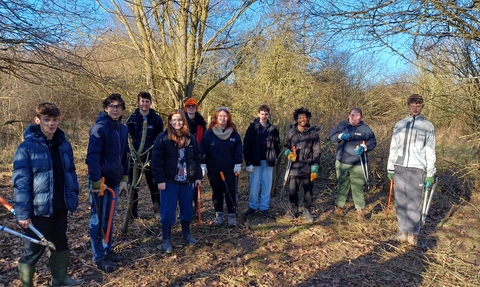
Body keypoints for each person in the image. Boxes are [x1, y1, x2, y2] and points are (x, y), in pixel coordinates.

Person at [13, 102, 82, 287]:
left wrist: (73, 194)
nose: (51, 124)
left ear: (59, 120)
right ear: (37, 120)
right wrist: (23, 213)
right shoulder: (26, 148)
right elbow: (21, 183)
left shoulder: (64, 145)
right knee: (33, 248)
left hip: (61, 205)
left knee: (60, 241)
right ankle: (27, 283)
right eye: (46, 120)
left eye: (54, 120)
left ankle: (60, 278)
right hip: (39, 209)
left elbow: (70, 172)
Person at [86, 94, 129, 273]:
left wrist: (125, 178)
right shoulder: (99, 128)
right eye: (112, 106)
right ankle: (98, 256)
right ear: (106, 108)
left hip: (115, 181)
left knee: (109, 218)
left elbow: (125, 155)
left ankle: (107, 248)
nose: (115, 109)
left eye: (118, 106)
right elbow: (92, 157)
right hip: (100, 182)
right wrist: (96, 181)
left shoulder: (123, 129)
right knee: (97, 219)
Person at [151, 109, 202, 253]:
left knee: (187, 209)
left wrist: (198, 176)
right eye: (174, 120)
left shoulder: (190, 138)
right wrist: (159, 179)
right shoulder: (163, 138)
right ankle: (166, 239)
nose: (177, 123)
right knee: (167, 211)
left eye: (179, 120)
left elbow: (197, 158)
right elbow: (156, 161)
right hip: (169, 181)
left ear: (184, 121)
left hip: (187, 181)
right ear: (169, 121)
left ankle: (186, 234)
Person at [387, 94, 436, 246]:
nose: (415, 108)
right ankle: (402, 232)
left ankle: (413, 234)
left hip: (417, 168)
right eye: (412, 106)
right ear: (408, 107)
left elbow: (430, 150)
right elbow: (393, 147)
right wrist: (390, 167)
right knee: (401, 201)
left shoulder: (428, 126)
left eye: (418, 106)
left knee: (414, 203)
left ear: (422, 107)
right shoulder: (400, 124)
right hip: (400, 167)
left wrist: (430, 172)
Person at [328, 107, 377, 221]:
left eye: (357, 115)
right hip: (342, 163)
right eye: (352, 115)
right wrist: (340, 136)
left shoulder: (366, 129)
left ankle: (360, 212)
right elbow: (331, 135)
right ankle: (338, 209)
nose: (354, 117)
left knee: (358, 188)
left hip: (358, 163)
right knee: (342, 186)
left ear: (361, 117)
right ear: (348, 115)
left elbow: (373, 142)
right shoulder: (342, 125)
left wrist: (365, 147)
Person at [200, 107, 243, 227]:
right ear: (216, 118)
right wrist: (203, 163)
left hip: (230, 169)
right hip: (214, 169)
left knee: (231, 191)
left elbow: (238, 149)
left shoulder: (234, 133)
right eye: (220, 116)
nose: (223, 118)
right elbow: (203, 149)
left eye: (225, 116)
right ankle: (219, 214)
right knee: (217, 192)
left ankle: (231, 214)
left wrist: (238, 163)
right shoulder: (209, 133)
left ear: (228, 117)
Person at [125, 92, 164, 217]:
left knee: (153, 185)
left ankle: (158, 211)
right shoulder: (131, 119)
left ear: (150, 103)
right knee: (133, 186)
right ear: (138, 102)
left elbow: (160, 139)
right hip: (135, 158)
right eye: (142, 101)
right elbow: (127, 139)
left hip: (151, 157)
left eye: (147, 101)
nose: (145, 104)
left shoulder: (156, 119)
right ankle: (133, 213)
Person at [283, 107, 321, 223]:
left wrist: (315, 167)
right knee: (292, 190)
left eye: (304, 117)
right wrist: (288, 153)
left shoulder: (313, 134)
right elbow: (285, 146)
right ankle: (294, 210)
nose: (302, 120)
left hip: (308, 167)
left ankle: (307, 210)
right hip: (294, 167)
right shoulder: (291, 132)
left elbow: (317, 151)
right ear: (296, 119)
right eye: (300, 118)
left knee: (308, 191)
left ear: (308, 119)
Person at [243, 105, 281, 218]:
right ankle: (253, 206)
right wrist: (248, 162)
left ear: (269, 115)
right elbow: (247, 145)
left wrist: (275, 155)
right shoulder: (252, 128)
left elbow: (278, 144)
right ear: (258, 114)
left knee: (267, 186)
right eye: (262, 113)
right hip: (255, 162)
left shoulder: (273, 129)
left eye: (266, 114)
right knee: (254, 186)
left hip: (268, 162)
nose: (264, 116)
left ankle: (264, 208)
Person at [183, 98, 207, 218]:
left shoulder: (201, 122)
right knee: (184, 184)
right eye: (189, 106)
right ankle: (184, 210)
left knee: (195, 183)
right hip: (183, 156)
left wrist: (203, 161)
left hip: (197, 156)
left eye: (193, 106)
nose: (191, 108)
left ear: (196, 108)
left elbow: (205, 141)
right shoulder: (181, 120)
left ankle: (193, 210)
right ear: (185, 108)